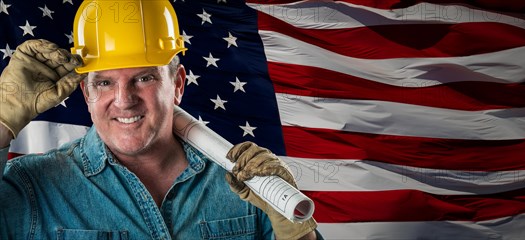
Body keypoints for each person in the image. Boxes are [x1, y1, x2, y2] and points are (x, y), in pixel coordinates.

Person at [0, 0, 318, 239]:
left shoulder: (246, 185)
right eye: (105, 82)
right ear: (86, 93)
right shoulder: (31, 187)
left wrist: (296, 231)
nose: (124, 100)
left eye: (144, 78)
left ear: (178, 84)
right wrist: (2, 121)